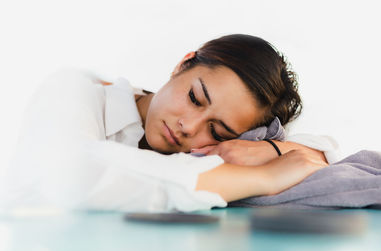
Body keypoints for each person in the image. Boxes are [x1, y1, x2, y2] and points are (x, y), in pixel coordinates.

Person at [2, 34, 339, 212]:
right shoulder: (74, 90)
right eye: (194, 98)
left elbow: (326, 148)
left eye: (217, 130)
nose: (189, 127)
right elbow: (73, 175)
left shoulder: (216, 149)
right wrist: (264, 177)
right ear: (183, 64)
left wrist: (274, 148)